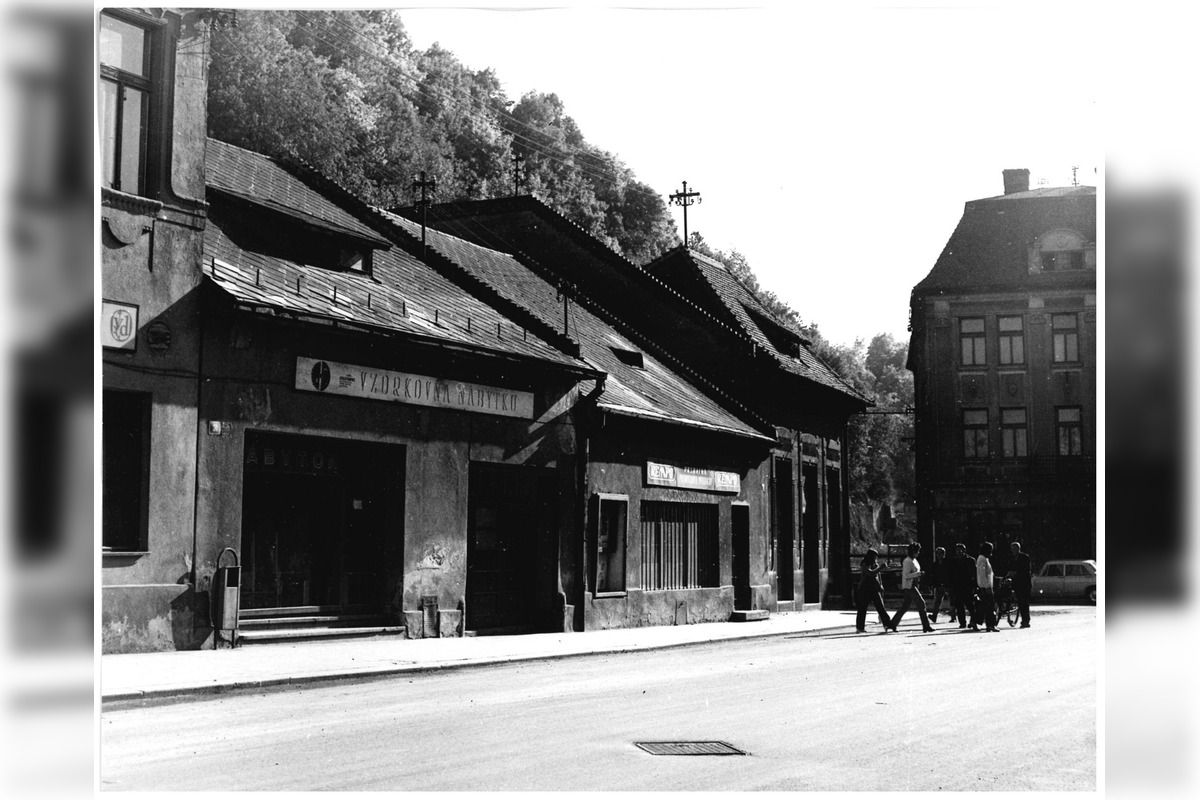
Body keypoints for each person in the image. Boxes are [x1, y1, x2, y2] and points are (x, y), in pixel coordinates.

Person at [888, 542, 934, 632]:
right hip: (910, 586)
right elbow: (906, 576)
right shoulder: (907, 561)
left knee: (905, 606)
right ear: (913, 551)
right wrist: (919, 573)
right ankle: (926, 626)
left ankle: (892, 624)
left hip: (914, 584)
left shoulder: (914, 560)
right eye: (917, 551)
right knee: (921, 603)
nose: (918, 552)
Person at [855, 548, 892, 633]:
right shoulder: (864, 564)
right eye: (874, 556)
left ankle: (887, 624)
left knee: (881, 607)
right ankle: (860, 627)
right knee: (862, 608)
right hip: (865, 588)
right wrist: (881, 568)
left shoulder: (875, 564)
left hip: (874, 588)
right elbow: (870, 573)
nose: (875, 558)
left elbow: (878, 576)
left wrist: (881, 585)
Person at [973, 541, 999, 632]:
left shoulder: (985, 559)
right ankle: (991, 624)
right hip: (985, 587)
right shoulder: (982, 559)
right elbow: (982, 574)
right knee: (990, 606)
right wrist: (987, 587)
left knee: (984, 606)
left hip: (986, 586)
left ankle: (976, 621)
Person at [947, 542, 975, 627]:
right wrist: (950, 586)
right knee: (959, 605)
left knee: (970, 605)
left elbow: (974, 573)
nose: (959, 552)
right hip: (957, 586)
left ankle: (973, 621)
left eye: (961, 550)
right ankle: (962, 622)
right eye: (957, 550)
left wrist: (974, 585)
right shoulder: (953, 561)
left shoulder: (970, 560)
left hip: (968, 585)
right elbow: (950, 574)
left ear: (964, 551)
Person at [1009, 541, 1032, 628]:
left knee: (1024, 602)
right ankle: (1024, 619)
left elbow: (1025, 570)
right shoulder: (1011, 558)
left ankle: (1026, 620)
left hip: (1024, 583)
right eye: (1012, 549)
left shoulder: (1025, 557)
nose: (1013, 551)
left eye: (1015, 549)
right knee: (1020, 601)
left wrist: (1015, 573)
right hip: (1016, 583)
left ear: (1019, 549)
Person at [927, 546, 949, 623]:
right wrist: (933, 585)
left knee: (953, 601)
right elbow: (933, 576)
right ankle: (934, 616)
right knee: (937, 601)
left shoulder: (947, 564)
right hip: (939, 585)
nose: (939, 555)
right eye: (937, 553)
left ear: (944, 554)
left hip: (947, 584)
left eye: (941, 553)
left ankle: (953, 616)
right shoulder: (935, 565)